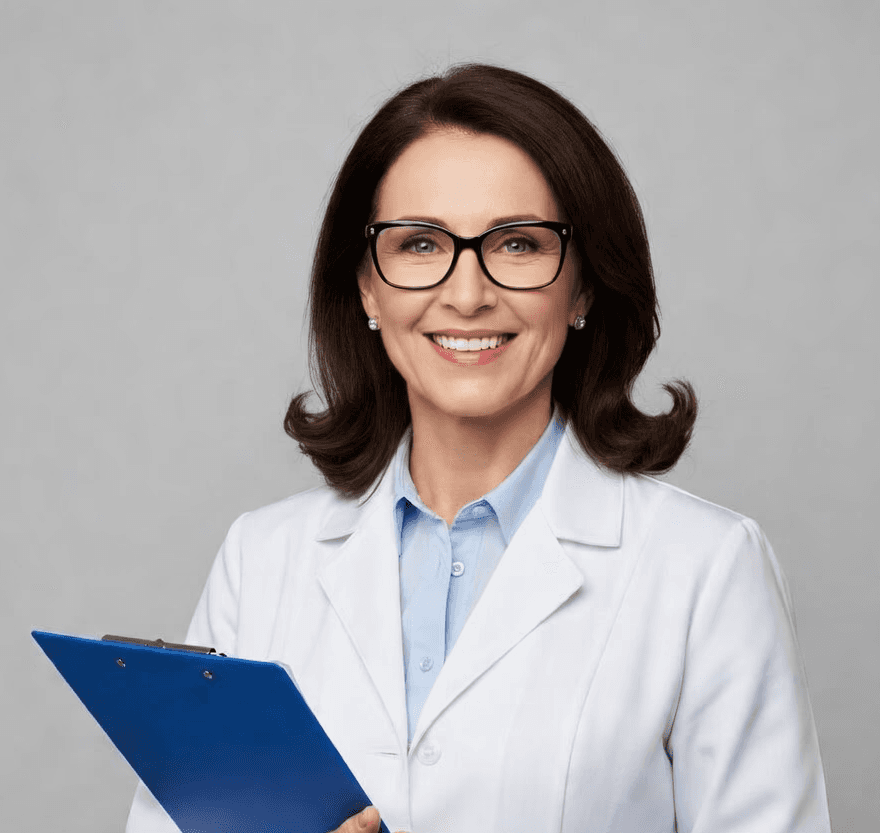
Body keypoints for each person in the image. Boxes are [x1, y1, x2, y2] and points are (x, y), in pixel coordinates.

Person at [126, 64, 831, 833]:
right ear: (366, 286)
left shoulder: (706, 569)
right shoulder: (260, 561)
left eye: (520, 244)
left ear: (585, 287)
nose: (466, 294)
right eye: (421, 243)